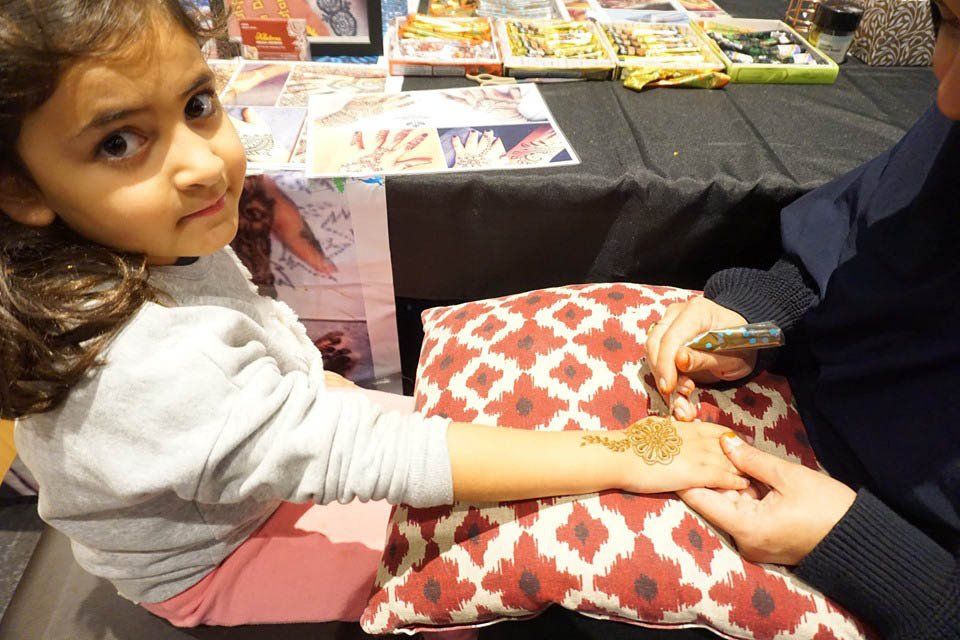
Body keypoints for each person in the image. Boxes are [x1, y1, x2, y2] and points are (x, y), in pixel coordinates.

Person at [0, 0, 748, 628]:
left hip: (252, 482)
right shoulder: (149, 363)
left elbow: (257, 329)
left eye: (198, 105)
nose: (202, 164)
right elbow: (381, 457)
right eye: (119, 142)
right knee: (472, 592)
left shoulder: (154, 235)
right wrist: (630, 454)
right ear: (21, 189)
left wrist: (318, 392)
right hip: (215, 560)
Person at [643, 0, 960, 637]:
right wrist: (755, 325)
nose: (946, 91)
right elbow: (856, 249)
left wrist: (883, 563)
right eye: (948, 22)